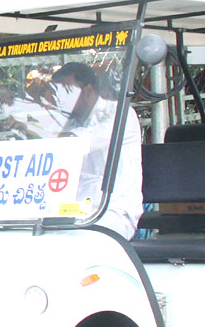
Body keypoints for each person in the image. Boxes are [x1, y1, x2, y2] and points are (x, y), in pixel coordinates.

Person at [52, 62, 144, 239]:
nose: (60, 100)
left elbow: (79, 142)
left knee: (76, 241)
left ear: (87, 90)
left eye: (67, 92)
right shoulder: (71, 121)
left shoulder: (119, 114)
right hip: (74, 211)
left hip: (112, 212)